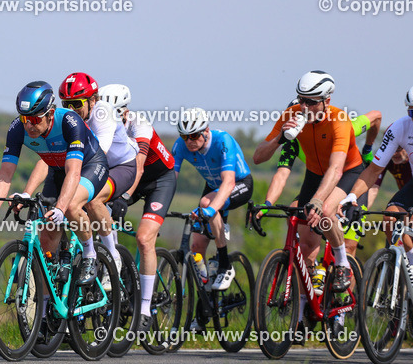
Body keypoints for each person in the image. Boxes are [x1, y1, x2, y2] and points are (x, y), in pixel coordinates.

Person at [0, 80, 109, 286]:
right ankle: (43, 314)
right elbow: (6, 172)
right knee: (47, 240)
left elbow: (74, 172)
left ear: (50, 114)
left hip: (89, 166)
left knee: (70, 206)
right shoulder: (17, 128)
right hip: (58, 170)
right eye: (24, 118)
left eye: (34, 118)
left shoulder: (70, 121)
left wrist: (60, 207)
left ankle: (90, 255)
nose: (29, 125)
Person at [253, 71, 364, 297]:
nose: (304, 107)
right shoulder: (292, 114)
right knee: (304, 243)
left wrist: (318, 199)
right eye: (301, 99)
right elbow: (258, 157)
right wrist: (279, 139)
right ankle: (306, 308)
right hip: (315, 174)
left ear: (327, 101)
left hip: (346, 172)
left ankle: (342, 263)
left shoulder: (339, 120)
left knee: (323, 212)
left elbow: (335, 169)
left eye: (311, 102)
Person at [100, 84, 178, 320]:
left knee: (144, 239)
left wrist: (124, 198)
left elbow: (140, 166)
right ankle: (111, 266)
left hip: (158, 180)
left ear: (124, 111)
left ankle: (145, 309)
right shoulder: (102, 125)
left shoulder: (139, 125)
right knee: (100, 212)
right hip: (130, 176)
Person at [56, 72, 138, 276]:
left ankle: (113, 256)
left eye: (76, 104)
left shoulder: (104, 112)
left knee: (93, 201)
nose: (70, 110)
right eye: (66, 104)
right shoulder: (67, 117)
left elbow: (100, 152)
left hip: (120, 167)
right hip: (90, 166)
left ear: (93, 101)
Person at [173, 108, 253, 301]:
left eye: (194, 135)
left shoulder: (222, 141)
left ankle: (225, 264)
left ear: (206, 130)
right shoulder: (181, 145)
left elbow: (228, 182)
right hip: (212, 188)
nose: (190, 141)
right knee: (197, 245)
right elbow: (170, 179)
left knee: (206, 203)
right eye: (185, 136)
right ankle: (206, 299)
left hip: (238, 184)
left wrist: (210, 209)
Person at [342, 88, 413, 267]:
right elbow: (372, 171)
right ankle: (408, 267)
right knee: (390, 219)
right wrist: (352, 196)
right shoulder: (400, 127)